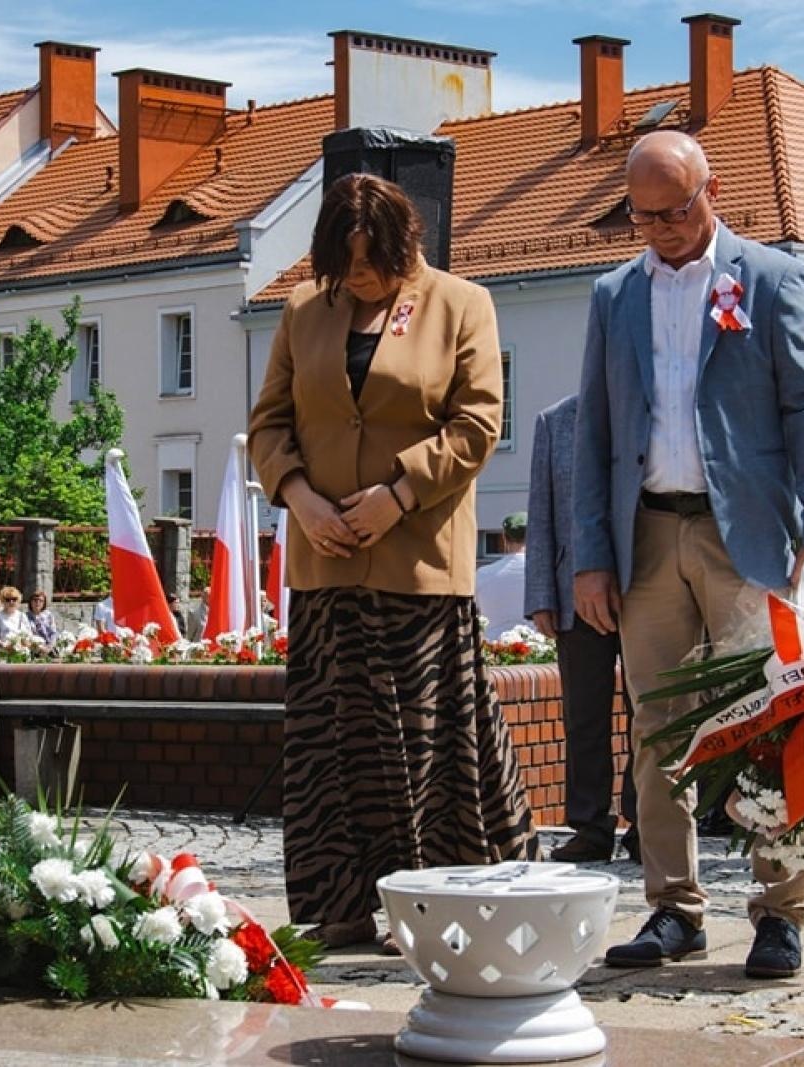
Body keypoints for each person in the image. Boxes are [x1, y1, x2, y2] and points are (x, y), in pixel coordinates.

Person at [572, 131, 804, 979]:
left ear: (712, 191)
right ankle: (673, 906)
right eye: (643, 215)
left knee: (773, 717)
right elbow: (595, 431)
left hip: (748, 533)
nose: (661, 228)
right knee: (658, 726)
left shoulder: (771, 278)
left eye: (675, 210)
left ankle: (779, 910)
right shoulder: (613, 293)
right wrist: (591, 554)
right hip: (648, 532)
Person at [248, 172, 538, 953]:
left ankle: (433, 898)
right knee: (330, 747)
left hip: (418, 568)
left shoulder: (461, 304)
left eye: (371, 260)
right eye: (344, 263)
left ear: (405, 243)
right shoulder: (304, 309)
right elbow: (269, 425)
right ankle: (340, 904)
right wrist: (300, 498)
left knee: (423, 745)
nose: (359, 276)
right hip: (325, 569)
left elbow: (478, 422)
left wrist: (399, 494)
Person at [526, 393, 640, 864]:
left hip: (645, 588)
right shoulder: (555, 421)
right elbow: (541, 514)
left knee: (647, 715)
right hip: (574, 592)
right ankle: (590, 827)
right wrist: (540, 596)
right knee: (584, 717)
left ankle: (645, 823)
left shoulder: (645, 410)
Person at [475, 513, 529, 638]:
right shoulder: (547, 576)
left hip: (494, 646)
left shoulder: (482, 574)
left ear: (504, 537)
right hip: (542, 647)